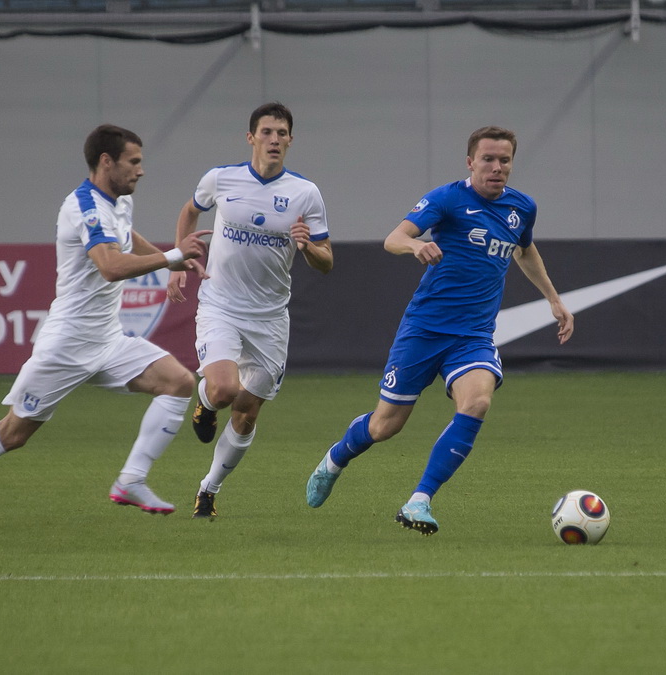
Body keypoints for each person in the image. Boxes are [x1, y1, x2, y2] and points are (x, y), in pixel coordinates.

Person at [0, 124, 209, 547]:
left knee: (180, 382)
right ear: (106, 162)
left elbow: (125, 236)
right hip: (67, 345)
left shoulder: (117, 201)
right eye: (134, 162)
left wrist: (167, 261)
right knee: (13, 434)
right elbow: (111, 266)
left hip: (107, 340)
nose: (141, 171)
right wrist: (171, 255)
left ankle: (131, 479)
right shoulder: (83, 206)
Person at [306, 125, 574, 536]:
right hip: (424, 330)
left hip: (473, 337)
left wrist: (553, 298)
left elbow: (525, 248)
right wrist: (416, 246)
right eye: (488, 159)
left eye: (504, 160)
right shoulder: (447, 199)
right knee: (385, 426)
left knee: (478, 402)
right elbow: (394, 238)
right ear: (470, 162)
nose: (497, 167)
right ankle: (336, 459)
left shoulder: (523, 208)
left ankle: (419, 501)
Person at [167, 102, 333, 520]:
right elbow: (191, 210)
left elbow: (326, 260)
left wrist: (308, 245)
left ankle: (208, 489)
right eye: (266, 132)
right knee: (224, 390)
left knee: (247, 411)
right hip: (221, 305)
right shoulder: (222, 178)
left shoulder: (305, 193)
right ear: (251, 137)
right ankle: (205, 402)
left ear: (291, 140)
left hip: (270, 318)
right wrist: (176, 260)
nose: (274, 139)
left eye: (281, 133)